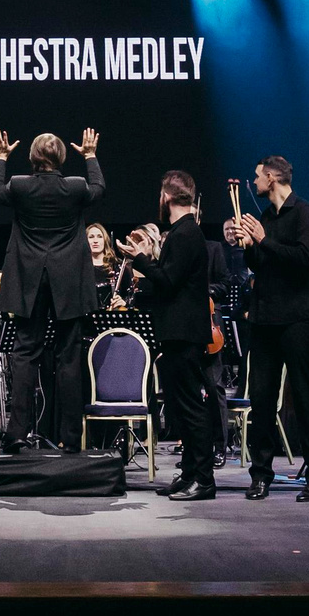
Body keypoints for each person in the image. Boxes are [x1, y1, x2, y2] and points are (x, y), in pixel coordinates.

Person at [0, 126, 105, 452]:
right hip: (69, 282)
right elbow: (98, 188)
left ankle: (16, 434)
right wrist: (91, 155)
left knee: (25, 354)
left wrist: (0, 156)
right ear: (61, 158)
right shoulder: (75, 187)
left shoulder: (21, 186)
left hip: (31, 280)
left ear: (33, 158)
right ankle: (71, 437)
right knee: (69, 356)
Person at [224, 155, 309, 501]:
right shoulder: (266, 217)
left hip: (297, 318)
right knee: (263, 399)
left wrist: (263, 239)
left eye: (257, 177)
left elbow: (302, 261)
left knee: (305, 397)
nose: (253, 182)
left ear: (271, 177)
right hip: (265, 318)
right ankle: (261, 474)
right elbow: (260, 265)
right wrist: (249, 245)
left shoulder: (305, 213)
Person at [123, 171, 218, 500]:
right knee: (181, 407)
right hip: (179, 332)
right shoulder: (183, 231)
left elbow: (168, 279)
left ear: (166, 197)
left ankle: (203, 479)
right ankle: (190, 472)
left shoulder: (185, 232)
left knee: (191, 408)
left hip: (183, 332)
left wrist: (140, 259)